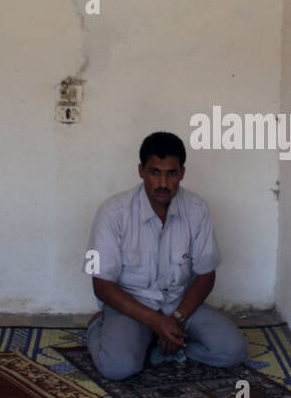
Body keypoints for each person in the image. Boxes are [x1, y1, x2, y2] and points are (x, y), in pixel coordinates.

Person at [84, 131, 249, 380]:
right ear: (141, 171)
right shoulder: (112, 212)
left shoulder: (197, 209)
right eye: (154, 172)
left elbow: (206, 275)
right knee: (118, 367)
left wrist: (176, 320)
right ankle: (100, 325)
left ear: (182, 173)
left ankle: (162, 343)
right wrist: (154, 321)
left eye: (171, 173)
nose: (163, 183)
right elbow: (101, 285)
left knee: (234, 351)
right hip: (132, 308)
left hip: (179, 305)